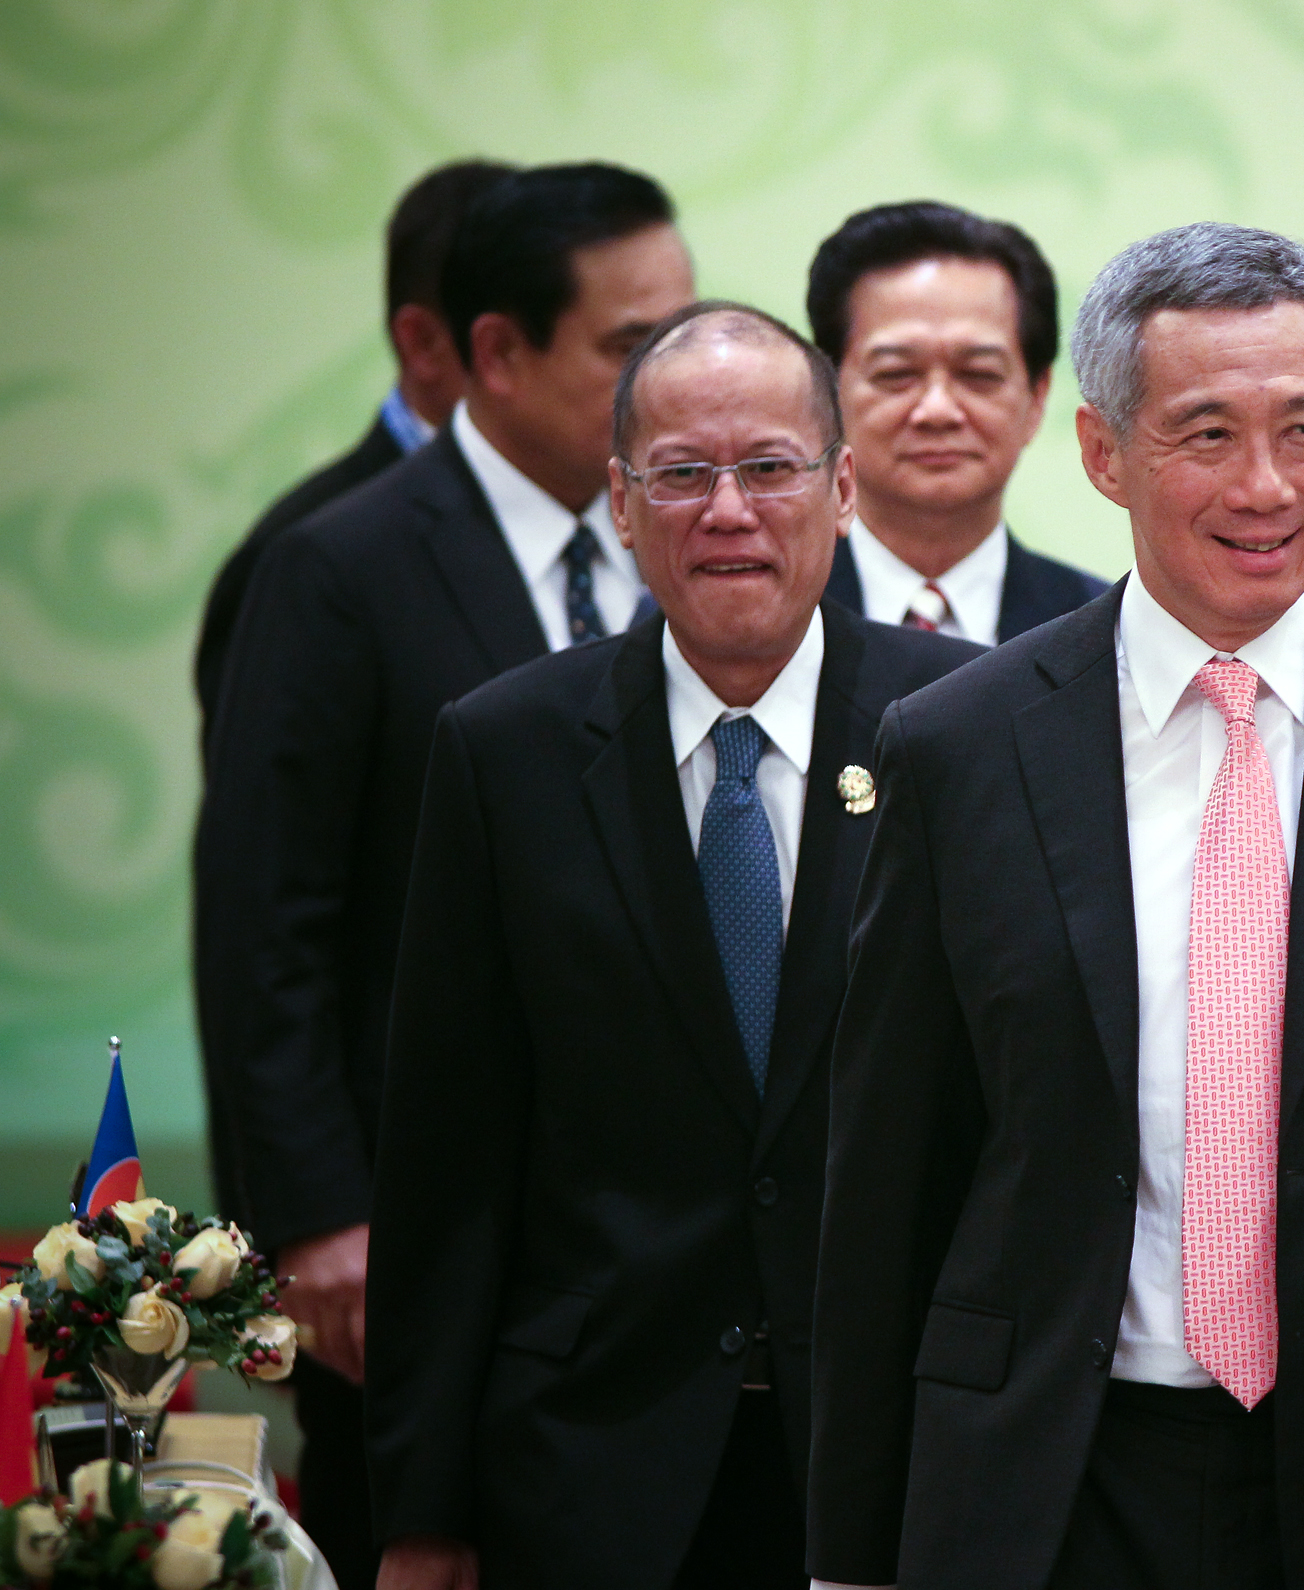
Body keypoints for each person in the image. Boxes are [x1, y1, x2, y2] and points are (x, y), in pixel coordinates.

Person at [806, 223, 1304, 1590]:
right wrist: (849, 1555)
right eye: (1205, 434)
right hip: (1047, 1480)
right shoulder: (960, 742)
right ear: (1102, 451)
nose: (1266, 486)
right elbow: (891, 1164)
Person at [366, 301, 981, 1590]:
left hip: (901, 1454)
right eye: (683, 475)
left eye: (768, 469)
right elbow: (446, 1153)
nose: (728, 510)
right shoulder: (504, 752)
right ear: (623, 501)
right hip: (591, 1464)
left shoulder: (975, 731)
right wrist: (422, 1511)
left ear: (843, 488)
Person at [191, 162, 693, 1590]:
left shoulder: (685, 549)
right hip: (409, 1236)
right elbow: (267, 920)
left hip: (627, 1243)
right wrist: (315, 1215)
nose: (663, 376)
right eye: (623, 346)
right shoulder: (334, 566)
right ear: (494, 353)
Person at [192, 158, 516, 749]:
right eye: (516, 338)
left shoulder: (617, 512)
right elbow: (266, 831)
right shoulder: (304, 557)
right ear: (422, 342)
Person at [806, 200, 1105, 640]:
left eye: (979, 374)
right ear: (829, 392)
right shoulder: (772, 620)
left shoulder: (1101, 634)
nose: (938, 411)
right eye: (896, 374)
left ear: (1036, 399)